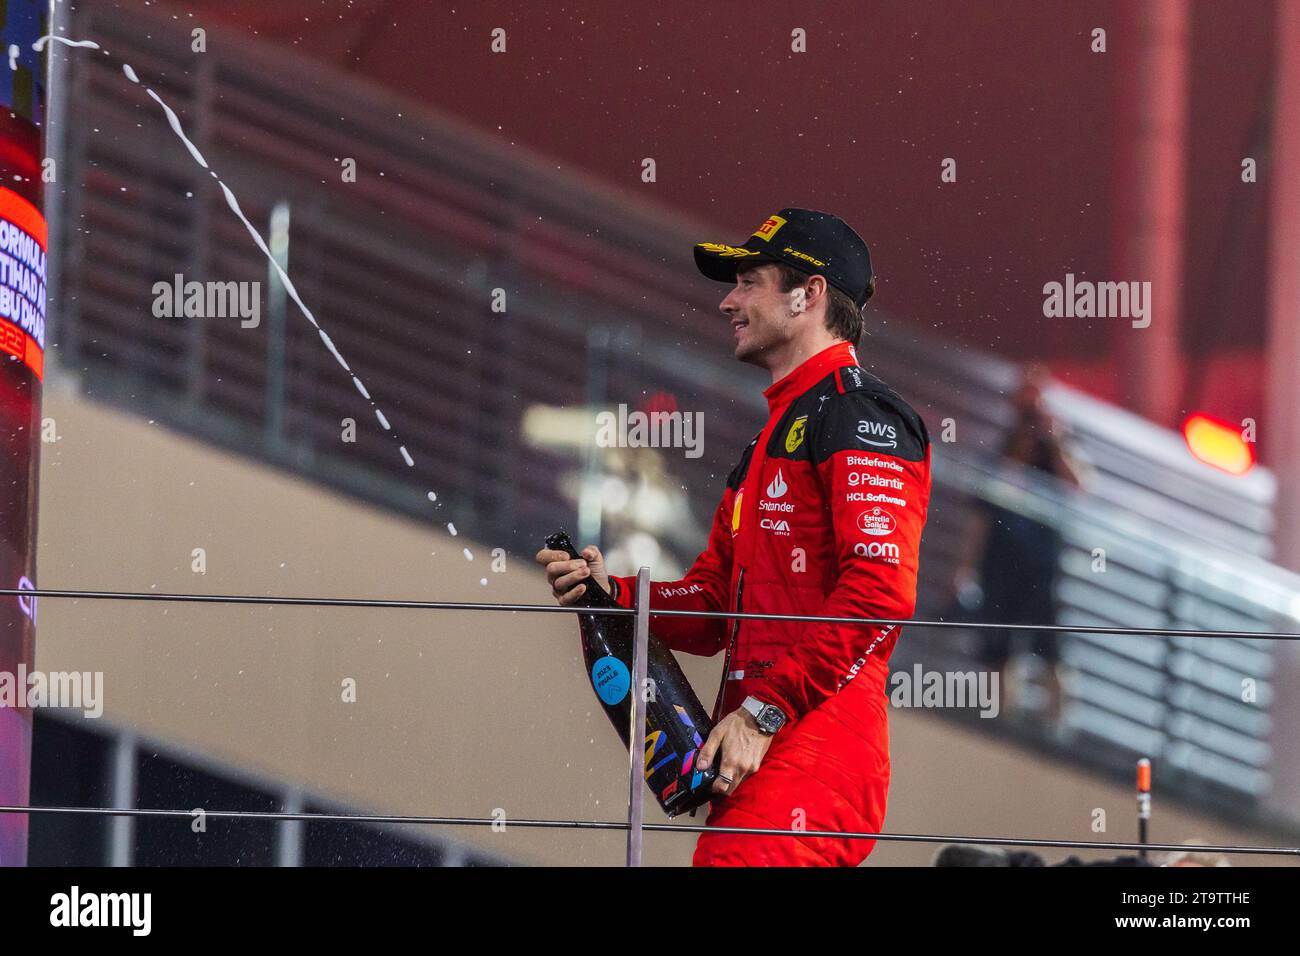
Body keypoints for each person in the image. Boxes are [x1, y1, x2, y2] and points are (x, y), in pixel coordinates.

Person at [536, 208, 932, 866]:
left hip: (813, 750)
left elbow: (881, 590)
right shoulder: (766, 442)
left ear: (808, 295)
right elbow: (715, 604)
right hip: (758, 752)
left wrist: (763, 714)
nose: (728, 301)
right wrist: (617, 597)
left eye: (749, 282)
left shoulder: (863, 414)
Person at [953, 366, 1083, 723]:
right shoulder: (1003, 450)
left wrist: (1053, 438)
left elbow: (1080, 484)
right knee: (998, 654)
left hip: (1043, 569)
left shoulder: (1058, 450)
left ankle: (1057, 729)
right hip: (1000, 568)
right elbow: (982, 512)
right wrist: (966, 570)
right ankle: (1001, 723)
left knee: (1051, 653)